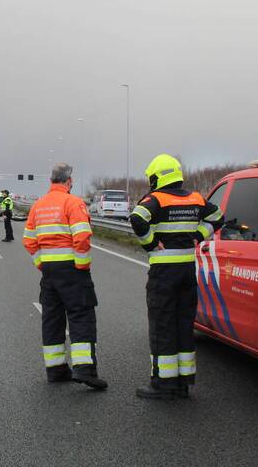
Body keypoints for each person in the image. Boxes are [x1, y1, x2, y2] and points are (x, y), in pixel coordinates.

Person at [129, 154, 224, 400]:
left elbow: (137, 218)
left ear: (157, 177)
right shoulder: (195, 198)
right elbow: (218, 217)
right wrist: (199, 236)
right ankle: (184, 381)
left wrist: (150, 244)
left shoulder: (156, 198)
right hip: (187, 271)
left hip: (163, 273)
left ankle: (163, 383)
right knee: (184, 324)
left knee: (162, 324)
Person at [22, 163, 107, 389]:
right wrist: (81, 264)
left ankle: (56, 370)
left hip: (49, 273)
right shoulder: (73, 202)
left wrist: (42, 264)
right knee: (81, 316)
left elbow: (29, 240)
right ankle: (85, 369)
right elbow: (81, 236)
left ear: (51, 181)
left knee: (52, 319)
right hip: (73, 270)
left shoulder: (38, 206)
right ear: (69, 181)